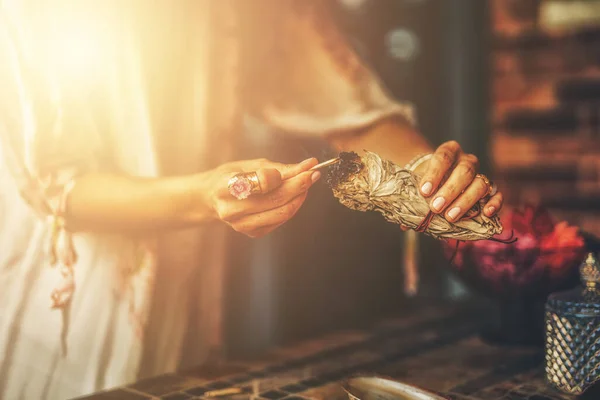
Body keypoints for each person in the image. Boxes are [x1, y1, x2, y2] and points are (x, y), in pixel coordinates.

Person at [0, 0, 504, 398]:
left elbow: (352, 109)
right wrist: (203, 196)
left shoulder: (254, 7)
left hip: (188, 303)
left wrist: (427, 174)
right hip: (65, 310)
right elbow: (61, 189)